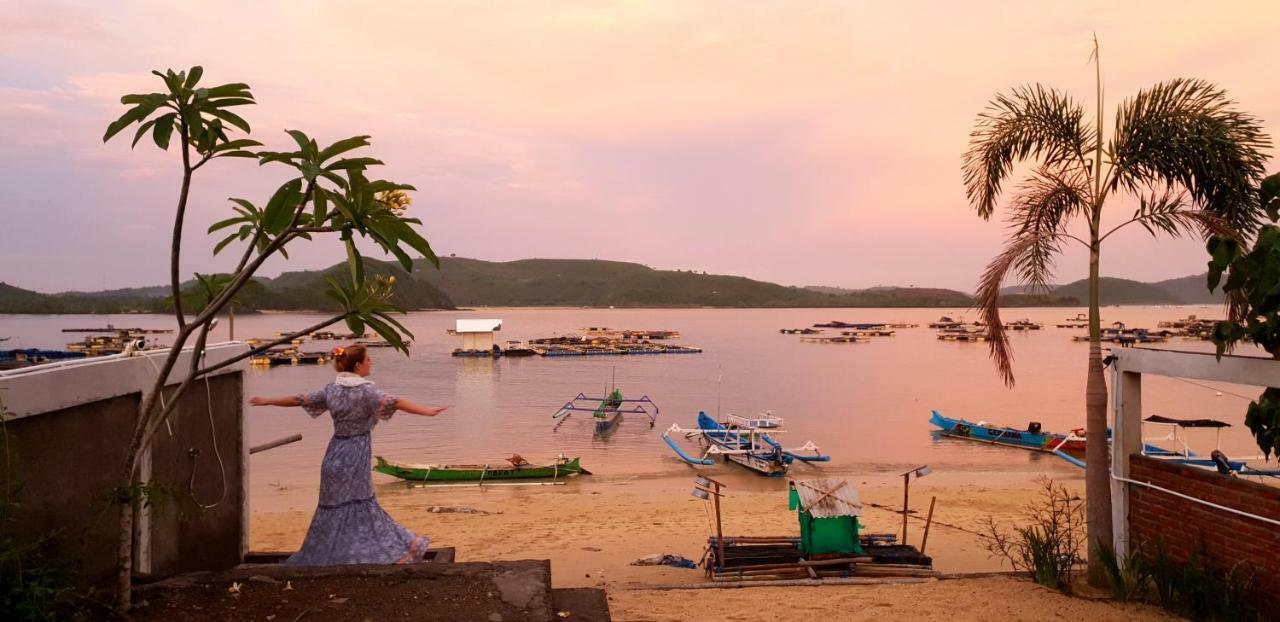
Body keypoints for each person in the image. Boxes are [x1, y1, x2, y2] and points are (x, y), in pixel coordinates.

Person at [249, 343, 447, 565]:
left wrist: (267, 401)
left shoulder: (331, 390)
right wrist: (427, 411)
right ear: (358, 365)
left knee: (333, 509)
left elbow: (298, 399)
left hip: (333, 456)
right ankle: (384, 552)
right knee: (362, 506)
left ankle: (335, 555)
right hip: (355, 455)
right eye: (369, 360)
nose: (371, 363)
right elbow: (395, 402)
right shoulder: (367, 391)